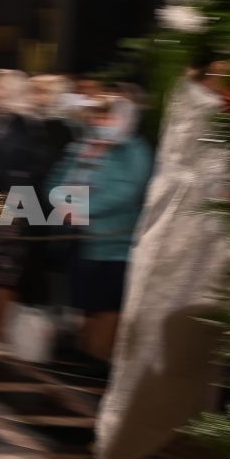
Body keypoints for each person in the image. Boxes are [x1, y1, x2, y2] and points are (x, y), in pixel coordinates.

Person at [93, 55, 230, 459]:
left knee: (199, 346)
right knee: (156, 336)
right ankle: (143, 436)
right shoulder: (194, 103)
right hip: (179, 236)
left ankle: (194, 434)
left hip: (216, 237)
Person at [0, 72, 73, 357]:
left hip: (11, 209)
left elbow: (24, 170)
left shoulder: (26, 126)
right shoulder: (3, 122)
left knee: (2, 276)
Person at [50, 94, 152, 364]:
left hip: (114, 241)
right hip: (79, 237)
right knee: (86, 301)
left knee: (107, 304)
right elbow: (57, 178)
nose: (101, 122)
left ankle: (99, 357)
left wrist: (83, 209)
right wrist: (62, 205)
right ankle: (85, 352)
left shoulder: (134, 150)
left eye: (108, 116)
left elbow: (128, 190)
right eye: (98, 116)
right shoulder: (83, 146)